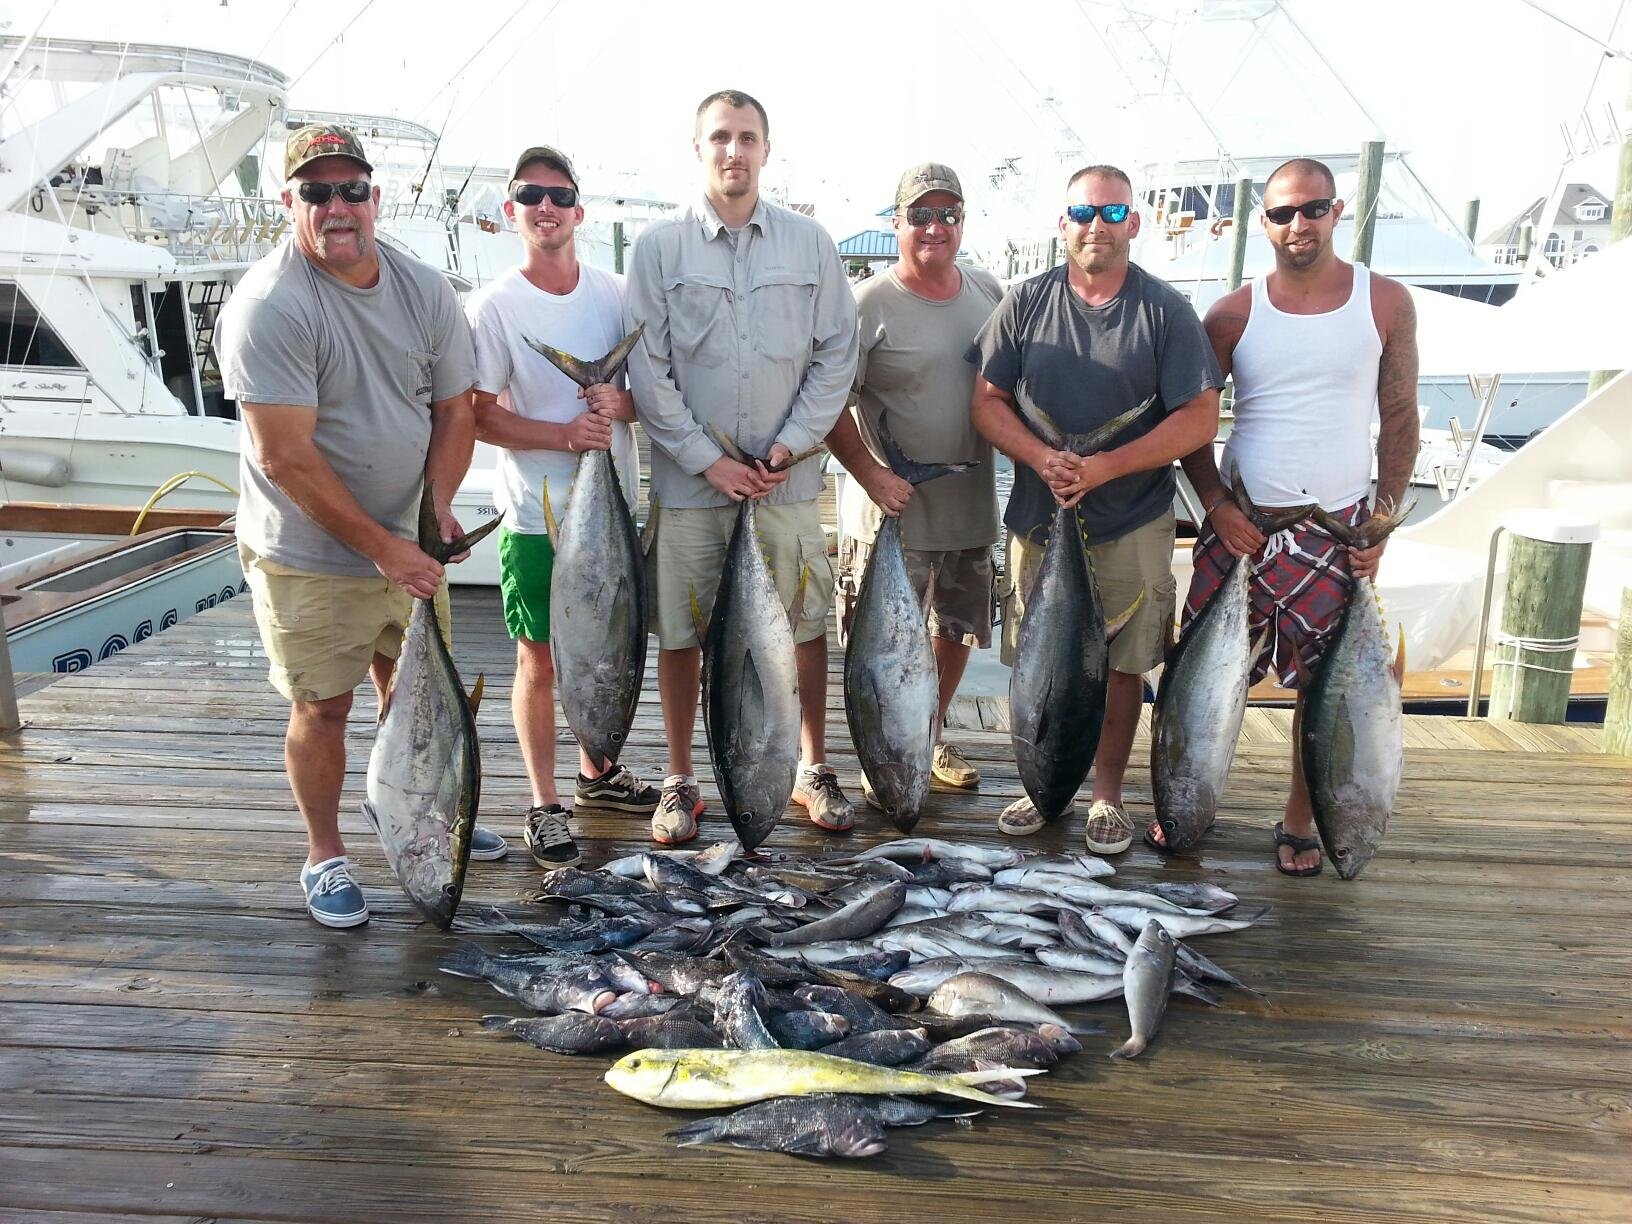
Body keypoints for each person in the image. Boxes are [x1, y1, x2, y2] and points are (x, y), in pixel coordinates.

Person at [215, 124, 501, 928]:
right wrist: (385, 550)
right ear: (289, 202)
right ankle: (325, 854)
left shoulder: (424, 289)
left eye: (351, 190)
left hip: (410, 541)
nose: (337, 207)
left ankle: (422, 814)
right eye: (317, 192)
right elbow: (285, 457)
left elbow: (455, 410)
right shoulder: (271, 305)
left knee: (414, 700)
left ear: (375, 198)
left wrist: (435, 509)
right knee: (325, 708)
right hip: (309, 552)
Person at [1156, 156, 1419, 875]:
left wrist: (1382, 519)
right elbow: (1190, 422)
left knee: (1324, 684)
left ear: (1337, 211)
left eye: (1313, 208)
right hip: (1241, 524)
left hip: (1339, 524)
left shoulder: (1385, 302)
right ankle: (1189, 795)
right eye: (1281, 212)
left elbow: (1399, 415)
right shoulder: (1231, 314)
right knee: (1199, 674)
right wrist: (1216, 505)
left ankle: (1301, 817)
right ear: (1263, 222)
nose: (1298, 223)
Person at [625, 89, 859, 845]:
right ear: (698, 148)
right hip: (692, 490)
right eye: (720, 137)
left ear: (766, 148)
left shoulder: (811, 243)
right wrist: (707, 461)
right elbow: (649, 370)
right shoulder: (658, 248)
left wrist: (791, 442)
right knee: (681, 633)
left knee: (806, 627)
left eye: (747, 137)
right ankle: (680, 777)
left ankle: (812, 766)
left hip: (787, 484)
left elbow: (837, 356)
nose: (734, 150)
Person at [969, 164, 1223, 851]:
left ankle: (1106, 796)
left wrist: (1106, 465)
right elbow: (987, 402)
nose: (1096, 227)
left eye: (1112, 214)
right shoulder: (1025, 302)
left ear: (1133, 223)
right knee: (1037, 664)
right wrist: (1039, 456)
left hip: (1133, 520)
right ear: (1064, 223)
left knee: (1124, 665)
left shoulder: (1165, 311)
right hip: (1038, 516)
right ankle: (1040, 785)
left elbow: (1200, 417)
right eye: (1084, 213)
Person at [466, 146, 660, 872]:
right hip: (534, 516)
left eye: (556, 195)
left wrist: (620, 402)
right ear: (511, 211)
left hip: (610, 510)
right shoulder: (494, 307)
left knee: (609, 644)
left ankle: (597, 775)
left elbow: (652, 397)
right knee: (540, 657)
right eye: (529, 196)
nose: (543, 207)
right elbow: (479, 414)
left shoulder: (617, 295)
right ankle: (545, 804)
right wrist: (564, 435)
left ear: (579, 210)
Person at [829, 162, 1003, 806]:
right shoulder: (866, 304)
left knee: (956, 630)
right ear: (897, 222)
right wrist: (872, 474)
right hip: (889, 512)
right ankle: (885, 745)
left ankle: (927, 735)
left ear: (962, 221)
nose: (935, 227)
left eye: (947, 215)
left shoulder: (989, 290)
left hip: (968, 506)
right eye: (921, 215)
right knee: (878, 646)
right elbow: (829, 403)